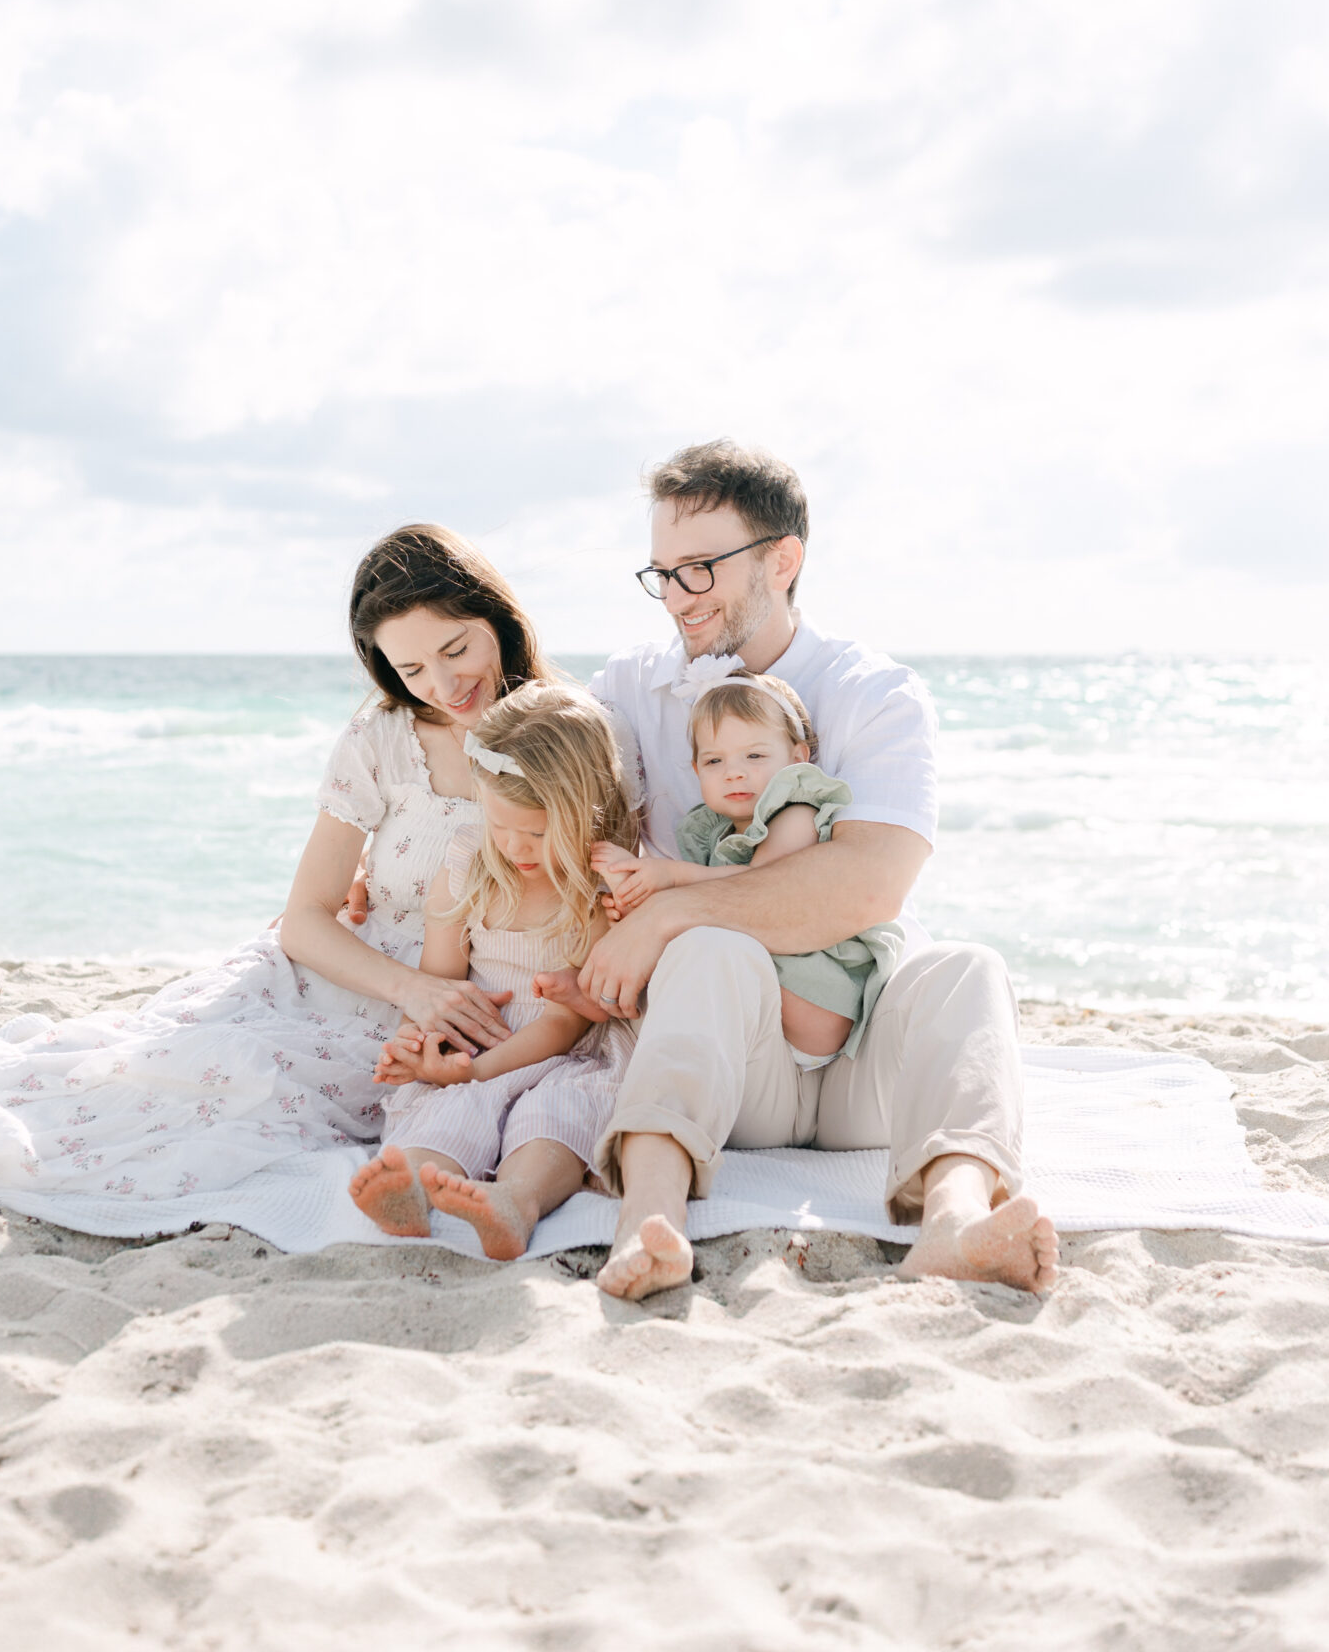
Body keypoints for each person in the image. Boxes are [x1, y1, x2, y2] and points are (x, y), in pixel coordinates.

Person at [0, 526, 548, 1232]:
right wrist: (409, 987)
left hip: (443, 1013)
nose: (444, 684)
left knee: (222, 1105)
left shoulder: (564, 733)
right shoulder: (381, 739)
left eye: (455, 648)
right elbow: (306, 919)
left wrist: (436, 1001)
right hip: (345, 971)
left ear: (496, 617)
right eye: (411, 670)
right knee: (123, 1056)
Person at [536, 439, 1058, 1304]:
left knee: (970, 968)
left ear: (783, 560)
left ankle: (956, 1224)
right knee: (711, 952)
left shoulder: (872, 691)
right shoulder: (631, 686)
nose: (675, 597)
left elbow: (866, 887)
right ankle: (650, 1220)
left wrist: (666, 910)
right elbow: (551, 808)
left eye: (699, 569)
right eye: (661, 573)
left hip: (860, 1058)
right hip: (733, 1060)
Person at [349, 681, 638, 1259]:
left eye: (536, 832)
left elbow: (565, 1023)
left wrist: (479, 1073)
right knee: (451, 1108)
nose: (514, 846)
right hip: (478, 1049)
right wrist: (425, 1046)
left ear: (588, 812)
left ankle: (517, 1201)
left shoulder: (598, 889)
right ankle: (412, 1183)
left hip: (568, 1052)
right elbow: (440, 978)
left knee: (558, 1112)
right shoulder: (467, 862)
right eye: (499, 824)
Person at [592, 671, 904, 1064]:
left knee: (698, 950)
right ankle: (590, 1001)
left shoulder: (797, 814)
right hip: (764, 1030)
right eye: (714, 760)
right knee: (673, 970)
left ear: (796, 758)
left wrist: (670, 878)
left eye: (754, 756)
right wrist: (642, 904)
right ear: (696, 770)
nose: (734, 772)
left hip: (817, 1005)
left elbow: (760, 886)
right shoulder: (716, 834)